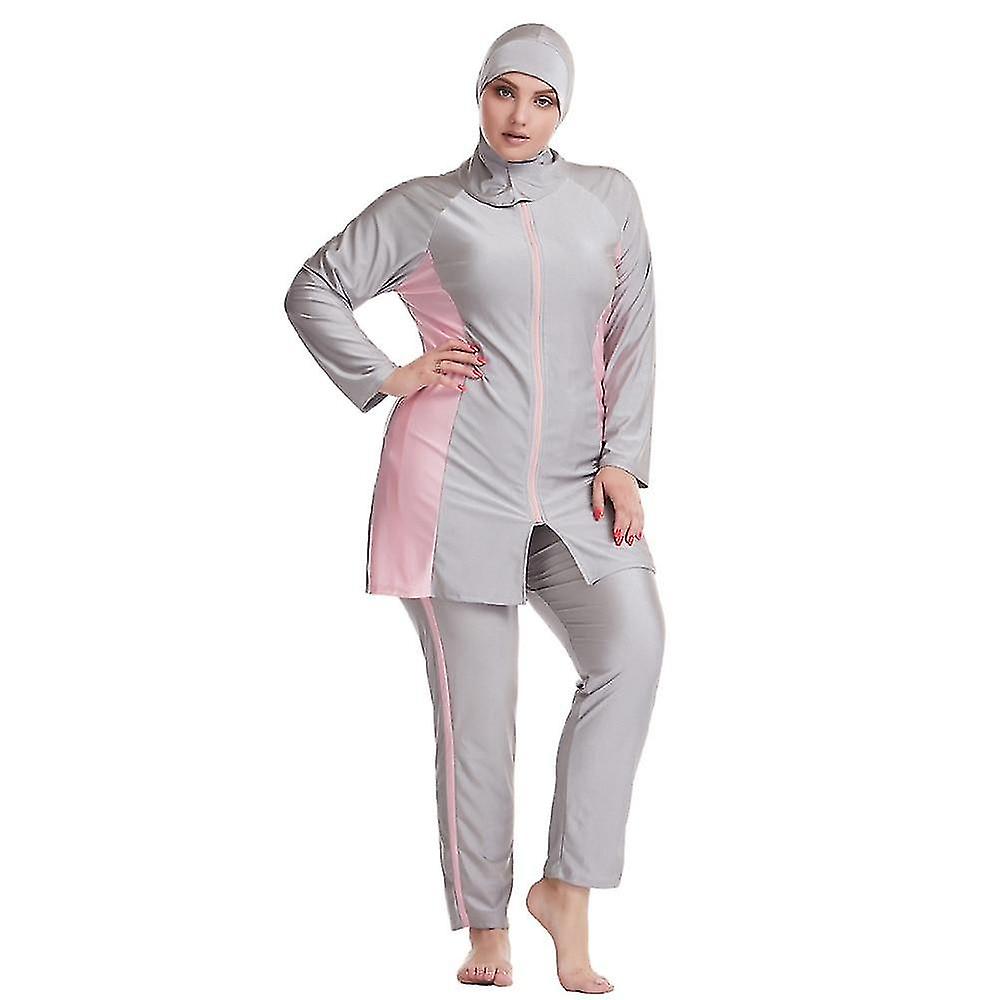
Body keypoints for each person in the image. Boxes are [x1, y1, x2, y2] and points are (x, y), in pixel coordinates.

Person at [284, 22, 665, 994]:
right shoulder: (427, 206)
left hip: (577, 491)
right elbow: (315, 287)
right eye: (504, 91)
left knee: (631, 648)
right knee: (478, 719)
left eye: (543, 98)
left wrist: (625, 461)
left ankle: (567, 889)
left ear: (565, 109)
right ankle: (487, 923)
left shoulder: (607, 199)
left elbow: (631, 333)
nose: (520, 115)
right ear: (480, 93)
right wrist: (388, 373)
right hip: (454, 487)